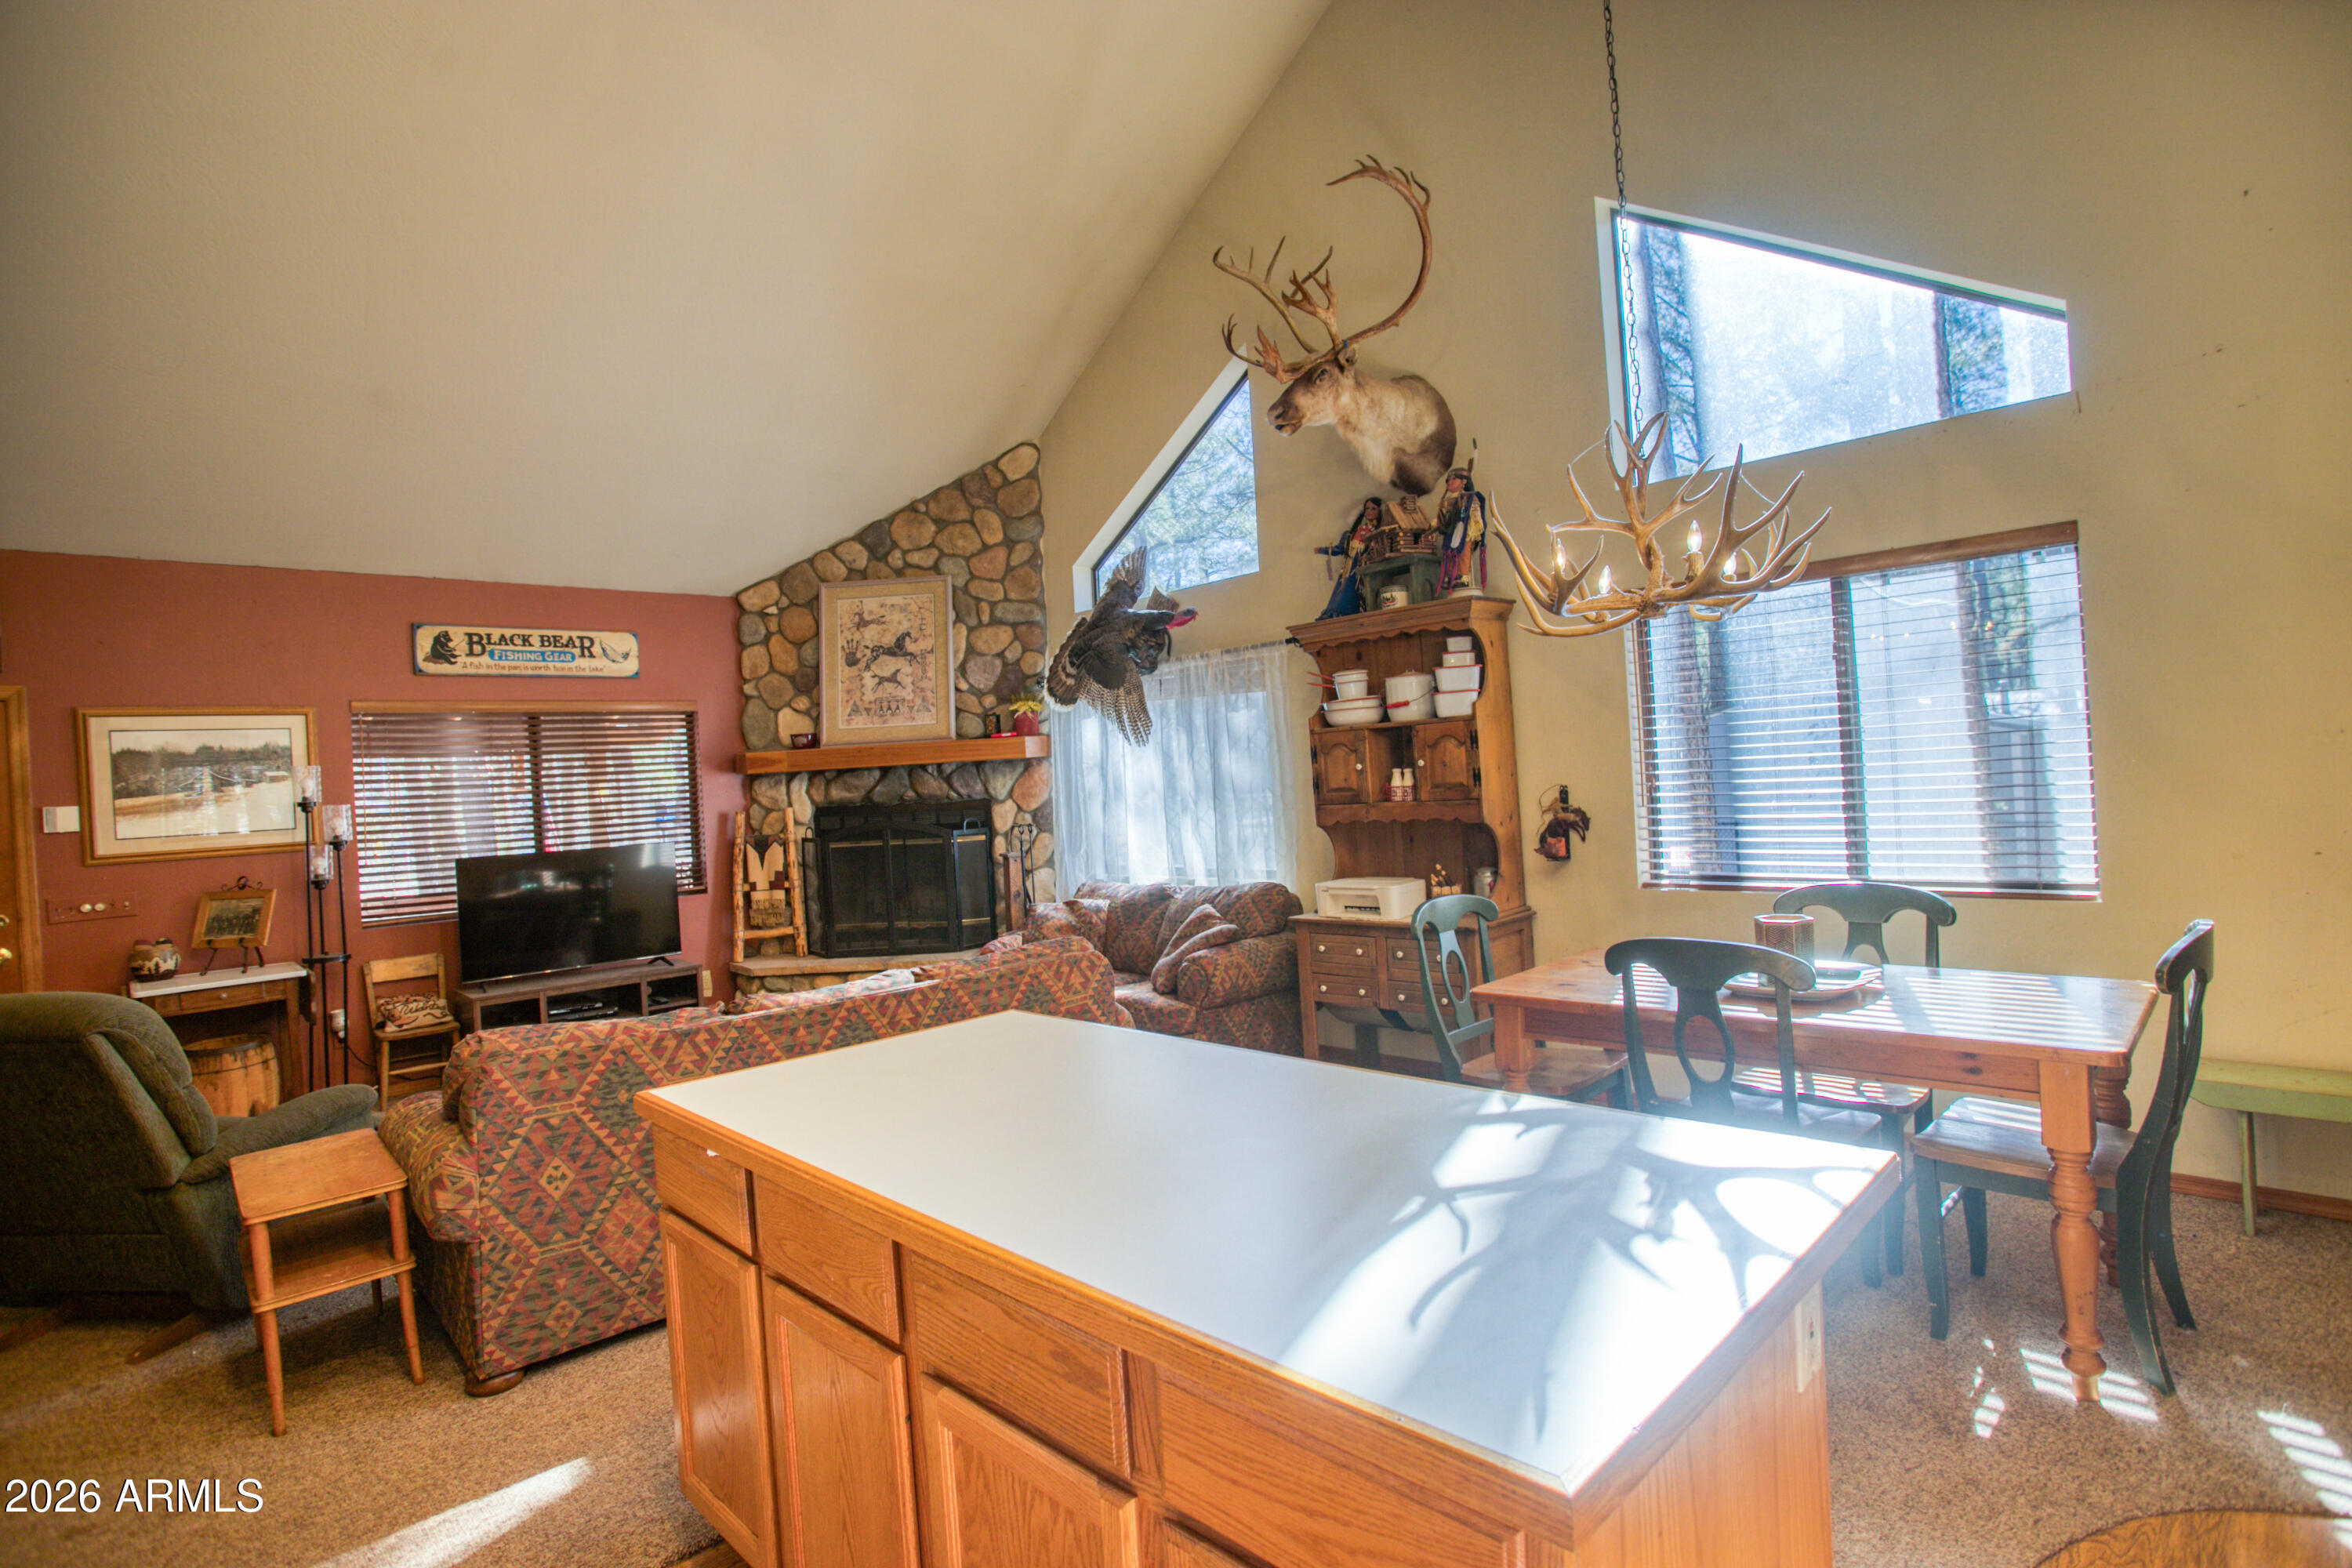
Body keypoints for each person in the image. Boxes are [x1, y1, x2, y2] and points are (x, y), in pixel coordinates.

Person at [1315, 496, 1386, 619]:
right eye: (1367, 508)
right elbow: (1339, 549)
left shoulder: (1378, 533)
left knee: (1361, 592)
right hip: (1347, 569)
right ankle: (1337, 612)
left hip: (1363, 569)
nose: (1369, 511)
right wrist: (1321, 550)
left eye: (1374, 509)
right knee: (1343, 591)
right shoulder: (1350, 534)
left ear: (1380, 512)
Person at [1436, 463, 1488, 593]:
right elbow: (1442, 518)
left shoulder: (1470, 498)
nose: (1450, 482)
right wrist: (1433, 524)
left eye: (1454, 479)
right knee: (1448, 553)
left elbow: (1475, 513)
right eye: (1448, 479)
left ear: (1464, 481)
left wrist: (1474, 527)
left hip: (1465, 530)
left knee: (1463, 552)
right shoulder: (1447, 501)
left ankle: (1463, 576)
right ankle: (1450, 577)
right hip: (1451, 531)